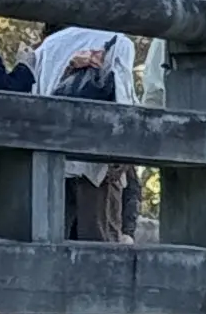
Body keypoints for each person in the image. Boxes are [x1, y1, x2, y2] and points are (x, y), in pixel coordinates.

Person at [31, 14, 138, 240]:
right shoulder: (118, 42)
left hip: (51, 160)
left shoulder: (49, 45)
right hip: (96, 163)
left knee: (49, 240)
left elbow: (35, 95)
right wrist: (123, 160)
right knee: (99, 241)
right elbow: (124, 105)